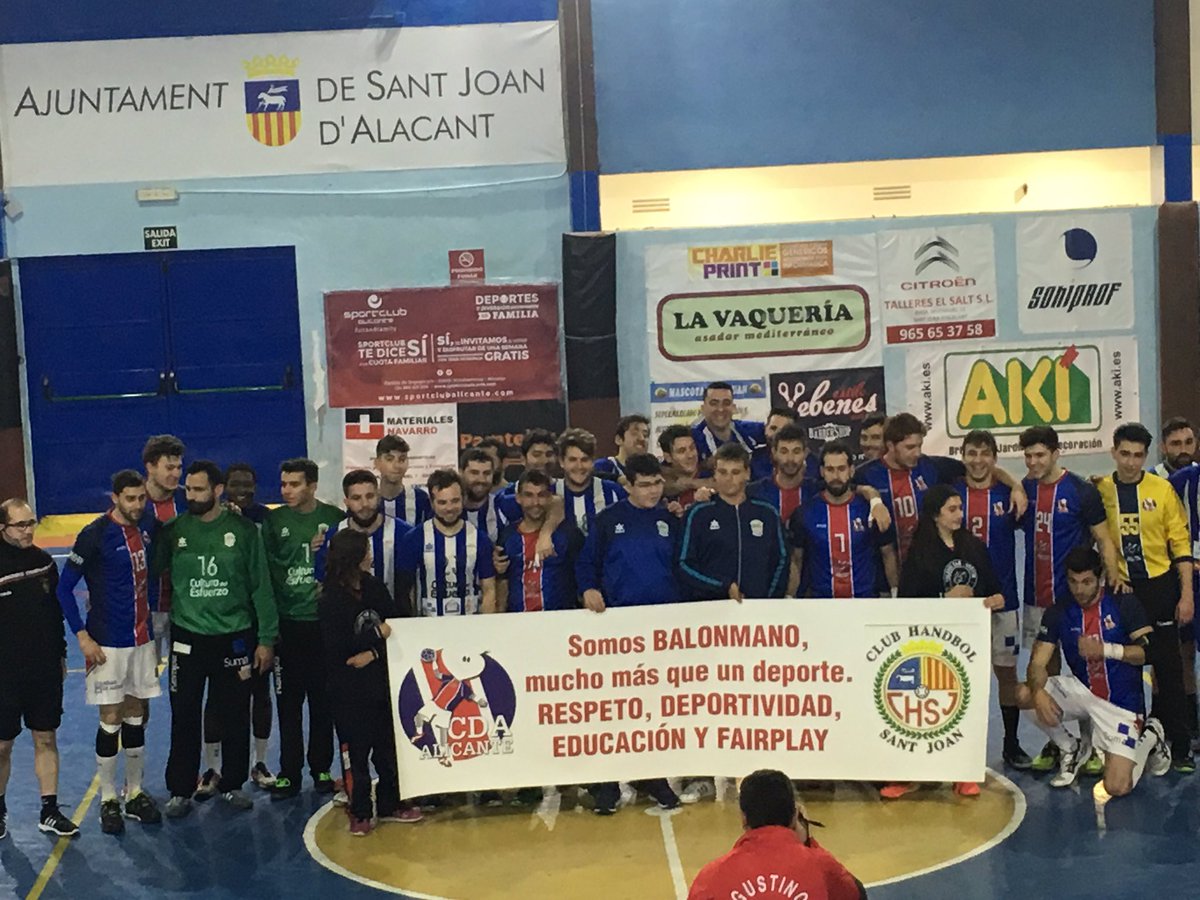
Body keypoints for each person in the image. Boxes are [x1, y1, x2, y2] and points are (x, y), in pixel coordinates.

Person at [153, 461, 277, 818]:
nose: (191, 496)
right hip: (187, 638)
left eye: (198, 490)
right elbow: (148, 569)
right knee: (184, 715)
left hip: (234, 637)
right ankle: (180, 789)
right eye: (188, 490)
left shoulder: (243, 531)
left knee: (235, 714)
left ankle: (232, 783)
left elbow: (260, 586)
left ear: (218, 491)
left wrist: (266, 638)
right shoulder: (174, 531)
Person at [574, 453, 682, 815]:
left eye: (657, 483)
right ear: (629, 486)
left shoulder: (671, 520)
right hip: (618, 630)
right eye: (645, 485)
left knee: (653, 708)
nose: (653, 491)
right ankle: (607, 783)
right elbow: (586, 562)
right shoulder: (608, 520)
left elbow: (683, 567)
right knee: (615, 709)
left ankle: (650, 776)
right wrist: (588, 588)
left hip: (662, 629)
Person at [1017, 547, 1171, 798]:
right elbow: (1037, 663)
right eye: (1073, 582)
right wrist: (1038, 693)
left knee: (1117, 787)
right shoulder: (1059, 610)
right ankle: (1070, 747)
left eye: (1086, 582)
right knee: (1023, 694)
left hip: (1121, 705)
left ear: (1100, 579)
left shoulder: (1123, 602)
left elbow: (1151, 652)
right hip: (1083, 692)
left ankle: (1150, 735)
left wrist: (1106, 650)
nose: (1079, 589)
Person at [57, 471, 162, 834]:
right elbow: (64, 588)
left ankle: (134, 793)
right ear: (115, 498)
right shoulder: (94, 535)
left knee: (136, 713)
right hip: (106, 643)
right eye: (130, 498)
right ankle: (107, 799)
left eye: (141, 498)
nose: (137, 504)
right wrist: (82, 636)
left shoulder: (148, 525)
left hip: (141, 639)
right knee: (111, 717)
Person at [888, 484, 1006, 799]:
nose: (959, 514)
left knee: (965, 706)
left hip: (967, 644)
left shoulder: (974, 546)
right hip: (929, 643)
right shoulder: (920, 552)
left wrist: (995, 598)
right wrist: (944, 598)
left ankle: (963, 772)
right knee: (921, 708)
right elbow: (908, 600)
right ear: (935, 515)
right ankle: (911, 773)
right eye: (951, 509)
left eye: (960, 508)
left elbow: (994, 587)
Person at [1018, 425, 1122, 772]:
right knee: (1045, 672)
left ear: (1056, 453)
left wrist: (1112, 579)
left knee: (1084, 672)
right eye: (1028, 456)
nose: (1033, 462)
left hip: (1076, 600)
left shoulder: (1080, 491)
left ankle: (1092, 746)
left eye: (1040, 455)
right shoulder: (1026, 489)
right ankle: (1058, 742)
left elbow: (1103, 539)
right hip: (1036, 596)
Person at [1096, 422, 1195, 772]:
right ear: (1113, 453)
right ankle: (1124, 742)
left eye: (1138, 455)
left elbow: (1180, 545)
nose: (1131, 462)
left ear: (1146, 455)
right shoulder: (1101, 490)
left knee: (1169, 668)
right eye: (1124, 454)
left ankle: (1180, 746)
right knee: (1124, 668)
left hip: (1160, 587)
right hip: (1122, 592)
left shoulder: (1162, 490)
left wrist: (1186, 595)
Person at [319, 529, 419, 833]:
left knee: (388, 749)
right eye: (366, 551)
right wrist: (375, 635)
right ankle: (360, 811)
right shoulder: (330, 598)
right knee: (356, 755)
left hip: (380, 683)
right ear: (354, 557)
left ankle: (391, 803)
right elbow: (338, 648)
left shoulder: (374, 587)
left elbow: (394, 627)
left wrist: (373, 653)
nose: (371, 556)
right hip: (347, 691)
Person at [262, 459, 345, 800]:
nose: (286, 490)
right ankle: (288, 772)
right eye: (284, 484)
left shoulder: (335, 518)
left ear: (312, 485)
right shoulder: (274, 521)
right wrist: (270, 628)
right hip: (288, 626)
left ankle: (321, 768)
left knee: (323, 702)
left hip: (322, 625)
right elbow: (265, 574)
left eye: (294, 484)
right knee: (288, 703)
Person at [854, 413, 1026, 568]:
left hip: (930, 571)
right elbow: (843, 488)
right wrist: (872, 497)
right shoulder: (866, 474)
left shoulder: (930, 466)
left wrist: (1016, 486)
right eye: (910, 447)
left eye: (919, 446)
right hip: (885, 573)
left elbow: (979, 467)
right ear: (891, 446)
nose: (917, 453)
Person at [0, 499, 79, 838]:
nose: (28, 530)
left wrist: (60, 655)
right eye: (20, 525)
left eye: (30, 523)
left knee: (46, 738)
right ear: (2, 528)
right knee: (2, 745)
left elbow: (54, 614)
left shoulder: (45, 563)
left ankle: (50, 810)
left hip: (43, 669)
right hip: (4, 674)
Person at [955, 430, 1029, 769]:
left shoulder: (1008, 495)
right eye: (972, 453)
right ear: (963, 456)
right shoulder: (952, 493)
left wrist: (1016, 485)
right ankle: (960, 748)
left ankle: (1011, 744)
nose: (978, 460)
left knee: (1006, 673)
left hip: (1004, 600)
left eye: (985, 453)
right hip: (962, 605)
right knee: (960, 675)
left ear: (995, 458)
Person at [200, 463, 275, 795]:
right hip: (224, 621)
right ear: (223, 487)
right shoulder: (215, 518)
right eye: (235, 484)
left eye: (248, 484)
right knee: (216, 696)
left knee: (260, 692)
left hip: (257, 621)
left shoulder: (267, 519)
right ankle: (212, 768)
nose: (242, 490)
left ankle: (260, 762)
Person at [687, 769, 865, 900]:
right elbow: (855, 894)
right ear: (795, 815)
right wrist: (808, 844)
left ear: (743, 818)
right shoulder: (823, 867)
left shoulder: (711, 877)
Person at [678, 443, 788, 603]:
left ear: (747, 474)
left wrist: (768, 600)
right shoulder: (697, 514)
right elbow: (683, 564)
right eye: (722, 472)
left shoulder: (767, 513)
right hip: (709, 609)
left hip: (759, 610)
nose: (728, 479)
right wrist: (722, 587)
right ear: (714, 474)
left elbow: (781, 559)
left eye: (735, 472)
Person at [791, 441, 897, 598]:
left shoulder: (871, 510)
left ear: (851, 471)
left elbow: (887, 554)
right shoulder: (805, 513)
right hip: (821, 603)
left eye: (841, 469)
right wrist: (789, 597)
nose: (836, 476)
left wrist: (896, 593)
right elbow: (796, 560)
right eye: (830, 469)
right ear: (822, 472)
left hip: (865, 601)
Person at [397, 469, 497, 617]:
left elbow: (489, 589)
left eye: (455, 501)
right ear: (432, 503)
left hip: (469, 623)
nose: (449, 508)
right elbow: (405, 591)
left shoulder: (479, 539)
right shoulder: (414, 539)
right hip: (427, 624)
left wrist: (485, 624)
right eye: (442, 502)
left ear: (463, 499)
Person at [494, 470, 583, 613]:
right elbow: (502, 583)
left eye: (541, 495)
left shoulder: (569, 535)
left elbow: (584, 575)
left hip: (561, 620)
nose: (535, 502)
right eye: (529, 495)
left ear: (550, 498)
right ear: (518, 498)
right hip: (518, 620)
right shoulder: (508, 536)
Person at [318, 470, 413, 601]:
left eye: (370, 496)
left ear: (378, 496)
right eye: (356, 498)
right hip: (345, 612)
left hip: (392, 611)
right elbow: (323, 583)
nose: (365, 504)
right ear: (346, 502)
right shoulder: (331, 538)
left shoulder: (404, 534)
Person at [141, 434, 187, 664]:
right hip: (144, 609)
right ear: (150, 467)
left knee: (185, 673)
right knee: (143, 679)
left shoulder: (188, 500)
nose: (176, 474)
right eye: (169, 468)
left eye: (179, 467)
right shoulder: (133, 502)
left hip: (184, 610)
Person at [555, 429, 627, 535]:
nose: (579, 466)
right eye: (572, 460)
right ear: (561, 461)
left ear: (593, 461)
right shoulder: (550, 492)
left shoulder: (615, 492)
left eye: (584, 460)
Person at [691, 381, 766, 469]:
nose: (720, 409)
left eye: (726, 403)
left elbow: (775, 430)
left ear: (733, 407)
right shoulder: (692, 438)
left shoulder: (749, 430)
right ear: (703, 408)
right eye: (714, 403)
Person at [374, 435, 432, 526]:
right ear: (377, 463)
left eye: (402, 459)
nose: (397, 465)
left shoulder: (421, 499)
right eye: (389, 459)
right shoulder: (367, 499)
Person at [460, 448, 512, 543]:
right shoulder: (448, 507)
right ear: (461, 472)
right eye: (474, 473)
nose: (481, 479)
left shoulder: (502, 506)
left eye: (487, 473)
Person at [659, 425, 713, 510]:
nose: (690, 455)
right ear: (668, 457)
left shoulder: (712, 475)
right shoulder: (659, 484)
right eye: (682, 451)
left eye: (692, 448)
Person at [749, 407, 802, 482]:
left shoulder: (812, 463)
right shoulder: (753, 459)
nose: (777, 434)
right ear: (765, 429)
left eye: (784, 430)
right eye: (773, 428)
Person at [593, 414, 650, 481]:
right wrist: (617, 478)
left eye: (645, 435)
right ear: (619, 439)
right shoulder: (603, 466)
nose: (642, 438)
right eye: (634, 433)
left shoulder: (652, 469)